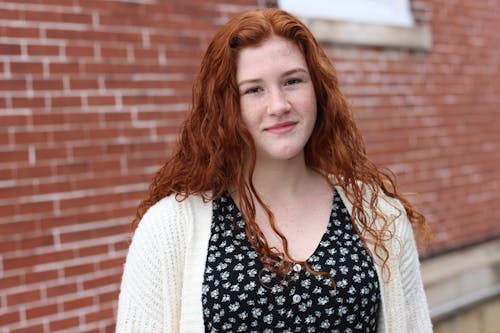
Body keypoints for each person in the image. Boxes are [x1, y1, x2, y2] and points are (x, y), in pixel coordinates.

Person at [116, 8, 432, 333]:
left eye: (292, 81)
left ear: (318, 90)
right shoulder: (169, 228)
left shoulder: (379, 216)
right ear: (225, 105)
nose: (279, 105)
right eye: (254, 89)